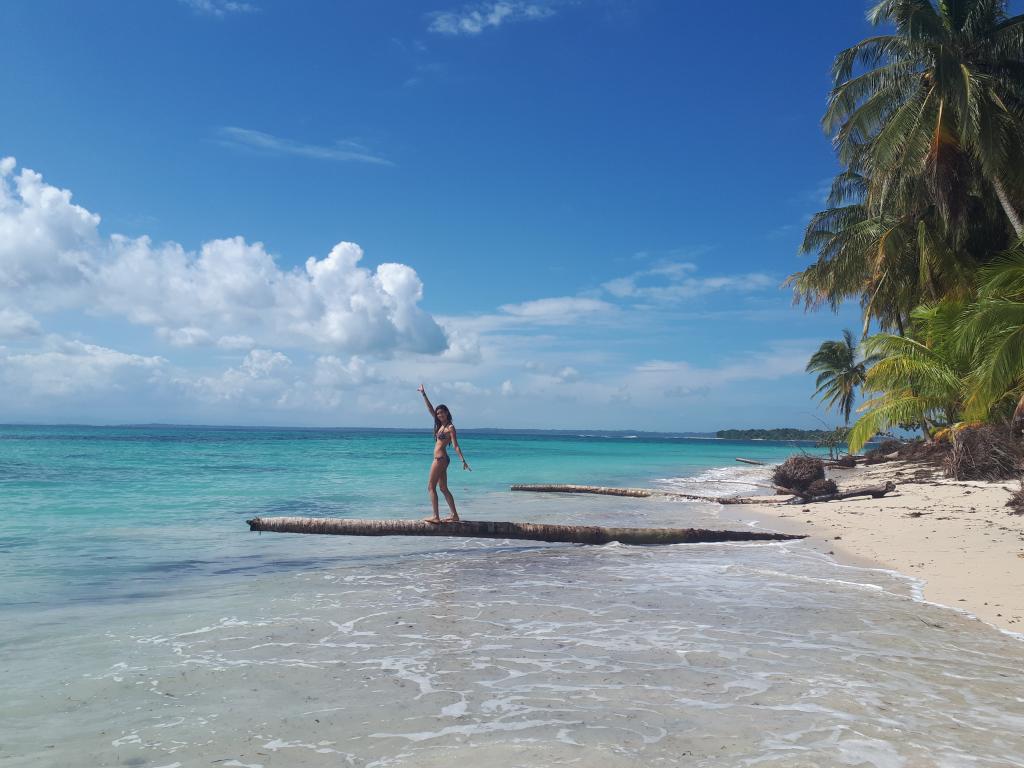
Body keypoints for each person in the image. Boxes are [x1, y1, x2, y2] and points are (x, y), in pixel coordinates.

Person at [417, 384, 471, 523]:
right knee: (443, 488)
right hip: (442, 459)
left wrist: (462, 460)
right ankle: (455, 515)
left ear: (447, 413)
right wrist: (424, 394)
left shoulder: (450, 427)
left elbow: (455, 445)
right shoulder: (440, 425)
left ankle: (436, 516)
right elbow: (430, 408)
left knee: (431, 487)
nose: (440, 415)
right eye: (438, 413)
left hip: (440, 459)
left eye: (442, 412)